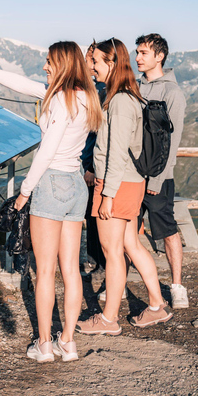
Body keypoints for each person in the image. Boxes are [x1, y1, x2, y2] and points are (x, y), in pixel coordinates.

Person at [0, 42, 102, 363]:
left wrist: (23, 193)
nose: (44, 68)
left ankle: (45, 344)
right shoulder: (88, 98)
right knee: (71, 270)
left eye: (49, 63)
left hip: (50, 183)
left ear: (61, 64)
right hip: (76, 183)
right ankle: (69, 342)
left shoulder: (59, 102)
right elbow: (22, 85)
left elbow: (46, 152)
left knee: (45, 271)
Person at [76, 38, 173, 336]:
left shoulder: (118, 101)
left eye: (96, 62)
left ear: (112, 63)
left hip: (115, 184)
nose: (91, 66)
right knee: (131, 244)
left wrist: (107, 196)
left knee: (112, 250)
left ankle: (108, 319)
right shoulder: (130, 96)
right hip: (131, 183)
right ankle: (157, 305)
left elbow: (116, 153)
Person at [135, 33, 189, 309]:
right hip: (132, 175)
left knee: (167, 230)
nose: (138, 58)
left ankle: (177, 286)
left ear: (160, 56)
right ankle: (118, 282)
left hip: (158, 177)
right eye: (137, 52)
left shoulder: (173, 92)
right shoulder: (134, 88)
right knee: (127, 230)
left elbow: (173, 139)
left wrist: (157, 178)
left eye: (144, 53)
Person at [80, 43, 106, 275]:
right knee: (91, 213)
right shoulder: (95, 88)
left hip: (93, 165)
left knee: (94, 213)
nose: (88, 64)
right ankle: (95, 260)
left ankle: (98, 262)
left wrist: (90, 167)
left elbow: (97, 134)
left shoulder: (101, 91)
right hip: (91, 162)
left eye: (91, 59)